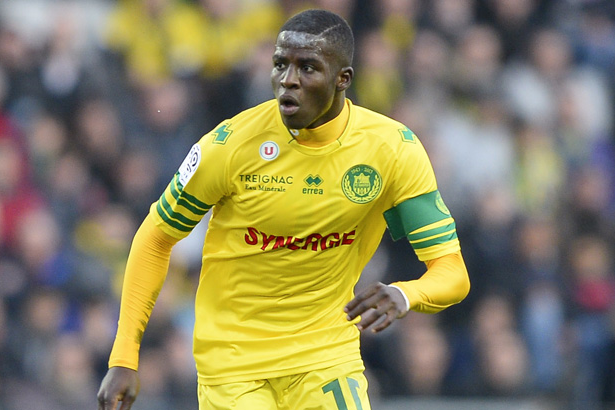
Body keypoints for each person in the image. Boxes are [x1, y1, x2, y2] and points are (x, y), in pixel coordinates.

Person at [97, 9, 470, 410]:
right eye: (280, 64)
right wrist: (124, 357)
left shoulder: (391, 151)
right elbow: (155, 238)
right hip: (234, 366)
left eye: (307, 67)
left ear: (342, 79)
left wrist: (404, 293)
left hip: (326, 358)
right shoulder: (229, 145)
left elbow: (452, 272)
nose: (288, 80)